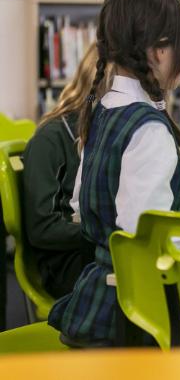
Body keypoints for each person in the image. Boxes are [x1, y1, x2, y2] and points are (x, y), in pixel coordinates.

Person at [48, 0, 180, 347]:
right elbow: (144, 235)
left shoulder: (102, 110)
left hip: (97, 292)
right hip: (135, 311)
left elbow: (80, 204)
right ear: (160, 49)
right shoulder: (149, 129)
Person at [22, 44, 107, 298]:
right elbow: (42, 228)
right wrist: (104, 232)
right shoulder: (50, 139)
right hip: (66, 263)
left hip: (95, 249)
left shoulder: (109, 132)